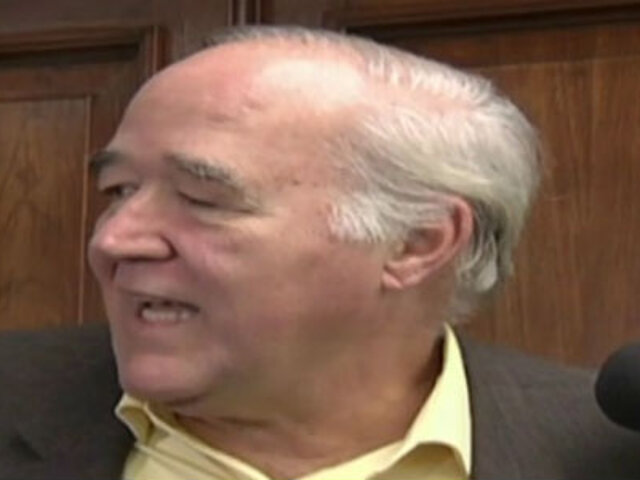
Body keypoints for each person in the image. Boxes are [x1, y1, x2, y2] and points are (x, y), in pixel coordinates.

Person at [1, 25, 639, 480]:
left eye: (201, 199)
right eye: (118, 190)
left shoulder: (609, 448)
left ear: (416, 242)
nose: (113, 240)